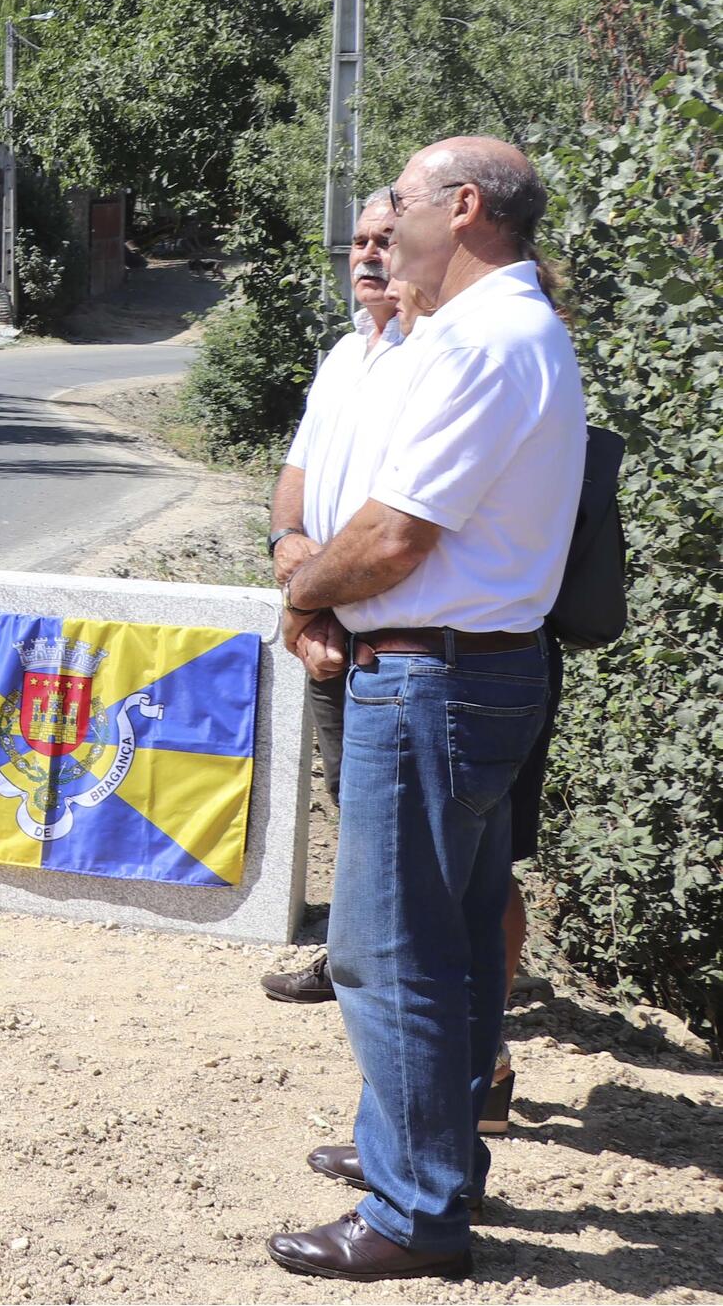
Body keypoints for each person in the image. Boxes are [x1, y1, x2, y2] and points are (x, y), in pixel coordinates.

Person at [267, 137, 583, 1282]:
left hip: (433, 673)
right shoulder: (491, 333)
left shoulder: (488, 340)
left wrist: (301, 580)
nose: (383, 221)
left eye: (397, 199)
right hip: (464, 667)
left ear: (459, 207)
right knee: (443, 942)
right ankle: (420, 1160)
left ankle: (414, 1212)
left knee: (385, 949)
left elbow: (397, 536)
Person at [261, 189, 405, 1000]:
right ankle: (355, 963)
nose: (368, 255)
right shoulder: (344, 355)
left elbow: (400, 525)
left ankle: (469, 1025)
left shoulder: (436, 358)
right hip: (329, 628)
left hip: (401, 630)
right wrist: (286, 543)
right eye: (357, 241)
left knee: (431, 845)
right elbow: (297, 476)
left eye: (386, 237)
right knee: (354, 806)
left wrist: (304, 602)